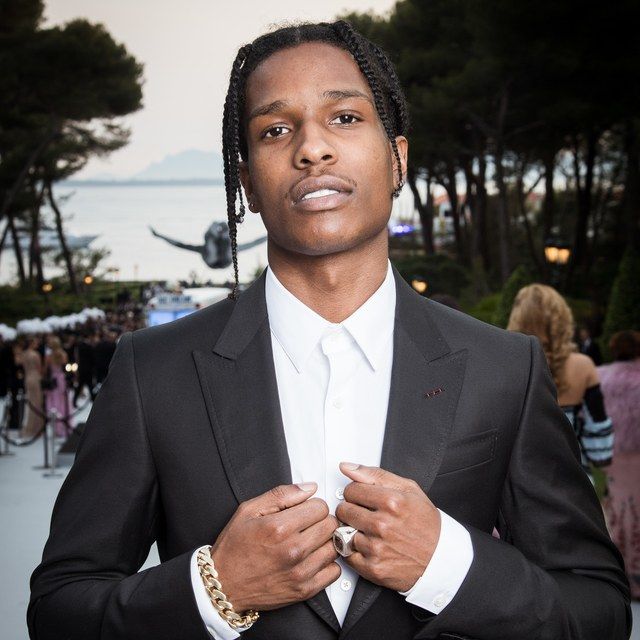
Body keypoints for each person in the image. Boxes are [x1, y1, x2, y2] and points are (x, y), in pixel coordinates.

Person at [29, 22, 630, 640]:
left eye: (344, 118)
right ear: (248, 186)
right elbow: (60, 609)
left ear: (397, 159)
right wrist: (217, 588)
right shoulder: (151, 372)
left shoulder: (505, 368)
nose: (312, 148)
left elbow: (599, 610)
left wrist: (449, 566)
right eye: (275, 129)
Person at [507, 284, 614, 481]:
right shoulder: (583, 366)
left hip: (519, 485)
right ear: (562, 318)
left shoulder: (504, 366)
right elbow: (598, 434)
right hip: (573, 483)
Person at [598, 330, 640, 600]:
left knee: (617, 508)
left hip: (611, 452)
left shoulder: (601, 375)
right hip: (636, 453)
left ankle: (622, 568)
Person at [43, 336, 73, 438]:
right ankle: (64, 425)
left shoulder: (49, 356)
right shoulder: (63, 354)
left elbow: (45, 370)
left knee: (53, 402)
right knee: (62, 401)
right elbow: (66, 368)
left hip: (53, 380)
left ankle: (57, 427)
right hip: (61, 379)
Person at [18, 336, 44, 440]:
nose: (37, 344)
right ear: (31, 343)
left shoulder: (23, 354)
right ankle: (36, 428)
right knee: (37, 403)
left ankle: (31, 427)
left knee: (31, 403)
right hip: (35, 378)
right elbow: (40, 368)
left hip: (27, 378)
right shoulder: (35, 354)